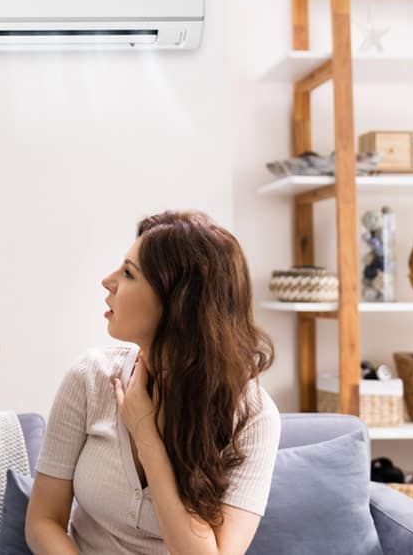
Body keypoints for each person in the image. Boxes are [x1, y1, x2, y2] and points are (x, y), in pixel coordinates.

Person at [26, 210, 280, 555]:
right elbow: (43, 520)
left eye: (129, 273)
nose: (107, 280)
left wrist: (146, 434)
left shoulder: (253, 415)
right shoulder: (90, 377)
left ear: (179, 305)